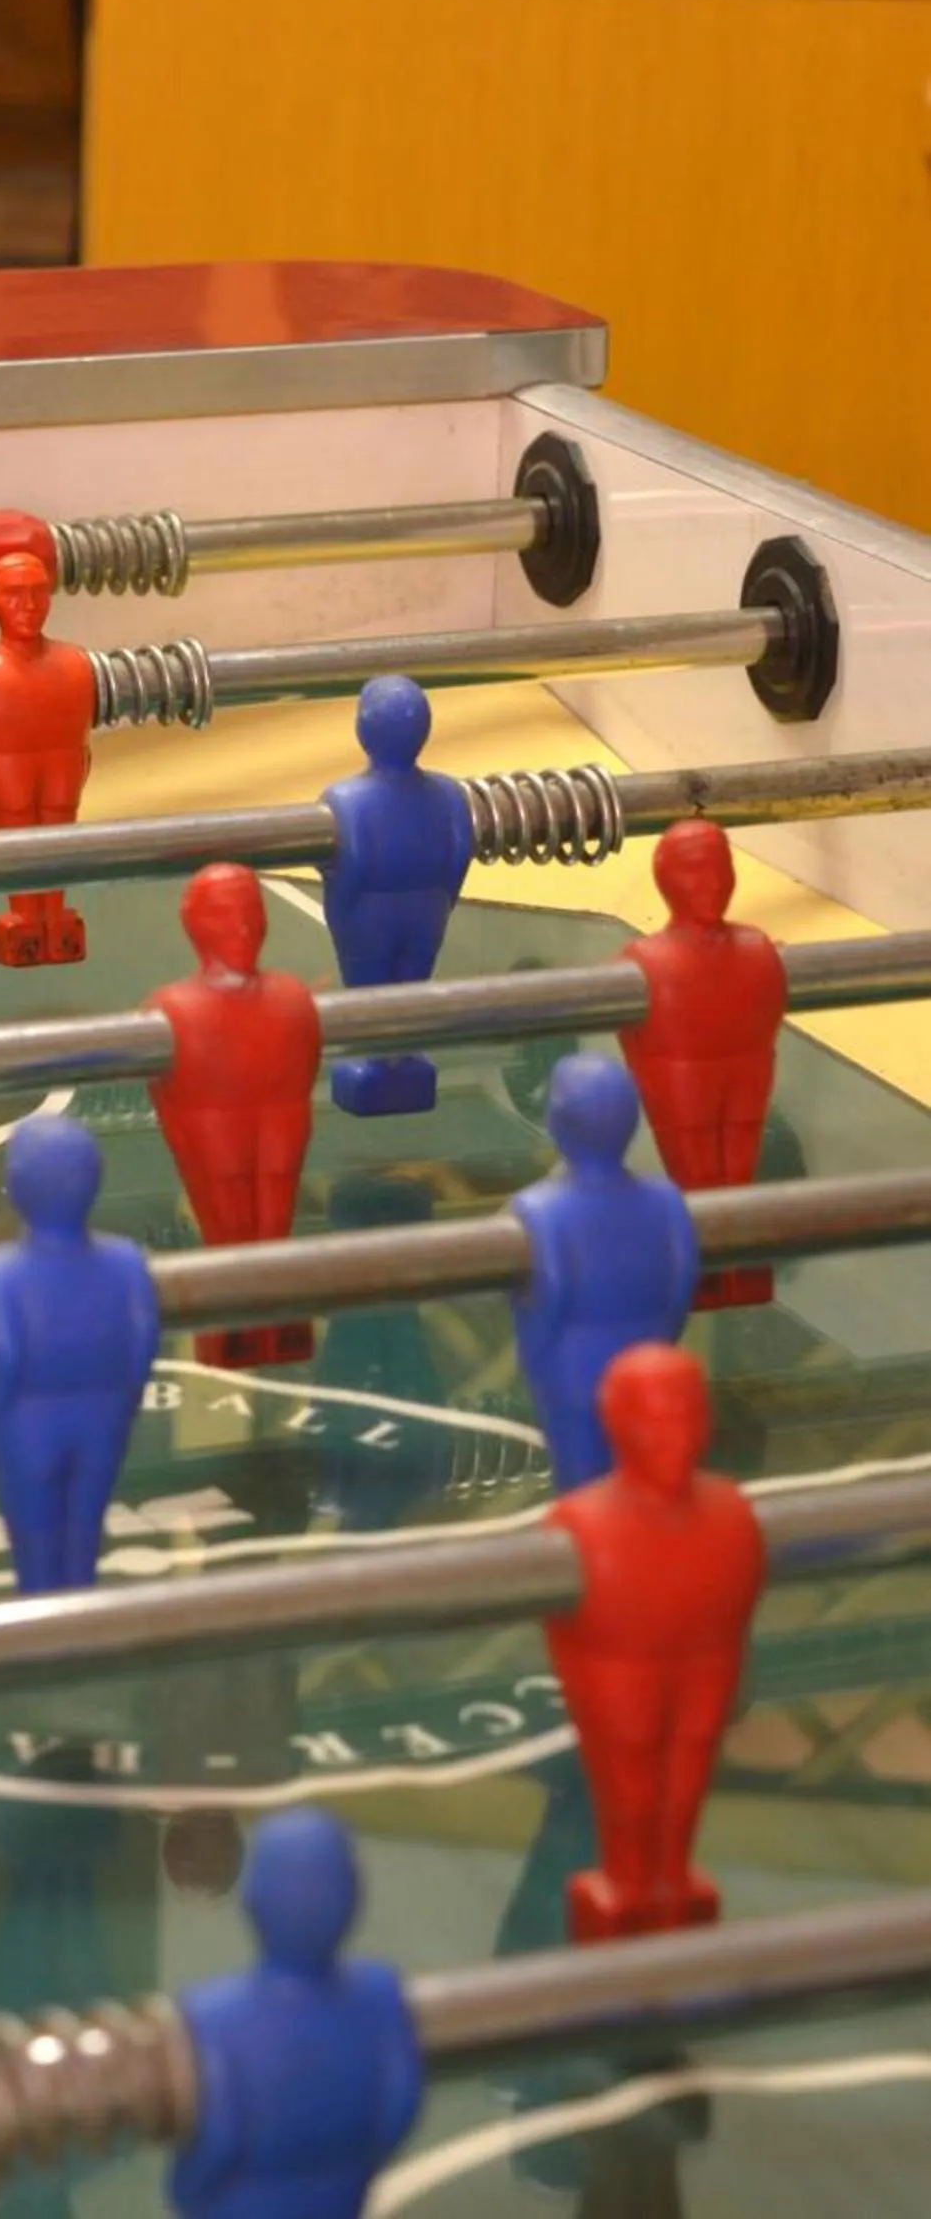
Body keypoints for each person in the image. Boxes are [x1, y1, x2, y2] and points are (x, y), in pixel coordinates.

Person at [546, 1344, 765, 1940]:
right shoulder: (584, 1526)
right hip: (626, 1661)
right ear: (620, 1424)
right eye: (654, 1419)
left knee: (691, 1758)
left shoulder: (731, 1515)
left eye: (687, 1415)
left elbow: (735, 1608)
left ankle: (663, 1876)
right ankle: (634, 1878)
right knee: (633, 1762)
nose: (675, 1434)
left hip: (699, 1654)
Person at [171, 1809, 423, 2219]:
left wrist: (188, 2193)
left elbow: (217, 2141)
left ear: (252, 1900)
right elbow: (399, 2106)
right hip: (341, 2197)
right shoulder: (381, 1995)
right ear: (353, 1896)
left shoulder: (214, 2018)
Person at [0, 1110, 159, 1591]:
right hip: (103, 1411)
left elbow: (2, 1358)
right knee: (85, 1523)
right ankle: (78, 1601)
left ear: (17, 1186)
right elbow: (142, 1342)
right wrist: (124, 1400)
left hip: (27, 1421)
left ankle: (43, 1611)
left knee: (34, 1531)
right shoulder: (126, 1260)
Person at [147, 864, 321, 1367]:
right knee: (230, 1203)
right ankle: (244, 1317)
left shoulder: (291, 1000)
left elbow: (304, 1069)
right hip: (214, 1120)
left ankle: (265, 1316)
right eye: (225, 916)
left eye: (252, 913)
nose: (243, 928)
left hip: (265, 1113)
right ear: (197, 926)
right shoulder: (174, 1011)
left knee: (273, 1199)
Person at [621, 818, 787, 1309]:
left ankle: (734, 1271)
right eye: (694, 871)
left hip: (743, 1070)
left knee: (737, 1175)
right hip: (684, 1077)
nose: (711, 884)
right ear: (668, 880)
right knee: (696, 1176)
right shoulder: (646, 960)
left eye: (720, 869)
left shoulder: (756, 947)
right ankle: (711, 1274)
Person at [511, 1056, 699, 1490]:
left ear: (558, 1122)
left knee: (584, 1483)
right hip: (650, 1357)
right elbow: (681, 1286)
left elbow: (549, 1298)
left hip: (571, 1370)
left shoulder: (540, 1211)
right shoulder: (666, 1200)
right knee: (646, 1476)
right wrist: (658, 1343)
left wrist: (540, 1355)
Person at [319, 676, 473, 1116]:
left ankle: (374, 1062)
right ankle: (404, 1058)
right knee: (412, 986)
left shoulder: (345, 799)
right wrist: (441, 901)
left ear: (363, 730)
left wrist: (344, 911)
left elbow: (352, 863)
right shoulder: (449, 793)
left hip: (370, 912)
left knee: (370, 992)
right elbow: (460, 853)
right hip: (428, 907)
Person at [0, 551, 95, 966]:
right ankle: (27, 918)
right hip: (5, 762)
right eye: (15, 594)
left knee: (58, 822)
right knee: (14, 821)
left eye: (38, 593)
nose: (29, 605)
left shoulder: (75, 662)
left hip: (63, 757)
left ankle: (53, 916)